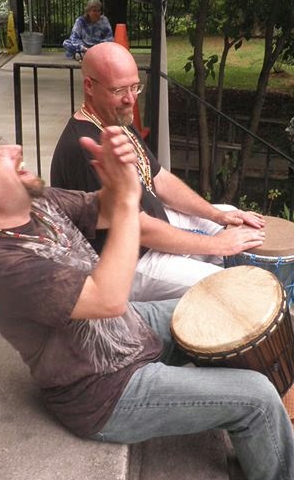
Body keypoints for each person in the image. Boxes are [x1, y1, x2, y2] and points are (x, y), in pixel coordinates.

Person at [0, 127, 294, 480]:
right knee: (253, 395)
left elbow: (105, 207)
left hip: (128, 333)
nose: (17, 150)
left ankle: (259, 426)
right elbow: (107, 298)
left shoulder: (35, 203)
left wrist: (121, 178)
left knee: (224, 310)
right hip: (102, 390)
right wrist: (125, 206)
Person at [51, 40, 267, 301]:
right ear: (89, 86)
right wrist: (217, 244)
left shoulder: (115, 117)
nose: (130, 99)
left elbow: (159, 178)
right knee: (223, 284)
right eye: (119, 89)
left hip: (153, 225)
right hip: (128, 261)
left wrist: (214, 215)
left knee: (231, 214)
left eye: (134, 86)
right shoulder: (84, 148)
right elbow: (138, 227)